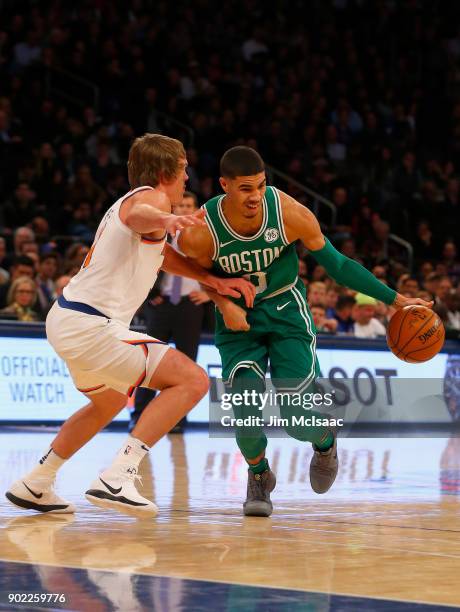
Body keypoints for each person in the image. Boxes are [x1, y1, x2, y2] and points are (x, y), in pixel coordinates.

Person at [5, 134, 254, 518]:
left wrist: (214, 283)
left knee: (106, 402)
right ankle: (118, 475)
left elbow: (162, 254)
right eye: (184, 168)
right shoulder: (150, 198)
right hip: (90, 323)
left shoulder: (136, 207)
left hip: (71, 319)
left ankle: (37, 482)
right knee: (193, 381)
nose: (188, 176)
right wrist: (168, 217)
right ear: (163, 172)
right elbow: (143, 215)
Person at [179, 146, 432, 517]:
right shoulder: (201, 232)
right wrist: (224, 305)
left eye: (261, 186)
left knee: (298, 419)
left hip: (286, 314)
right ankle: (259, 476)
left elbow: (339, 265)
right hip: (239, 323)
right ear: (224, 185)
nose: (255, 197)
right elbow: (203, 277)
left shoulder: (290, 214)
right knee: (245, 415)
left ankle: (326, 440)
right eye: (246, 189)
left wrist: (395, 300)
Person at [130, 191, 210, 433]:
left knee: (187, 364)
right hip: (162, 304)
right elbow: (142, 263)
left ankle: (177, 420)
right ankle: (139, 415)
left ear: (196, 209)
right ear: (174, 210)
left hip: (191, 305)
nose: (185, 209)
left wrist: (209, 294)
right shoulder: (161, 232)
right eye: (181, 205)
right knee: (149, 360)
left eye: (190, 205)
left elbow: (219, 267)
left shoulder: (206, 237)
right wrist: (148, 294)